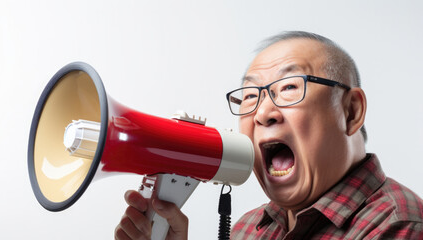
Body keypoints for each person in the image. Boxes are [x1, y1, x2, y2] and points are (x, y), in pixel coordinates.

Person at [114, 31, 423, 240]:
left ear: (351, 111)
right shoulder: (249, 228)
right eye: (250, 96)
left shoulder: (397, 226)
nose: (263, 113)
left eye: (289, 87)